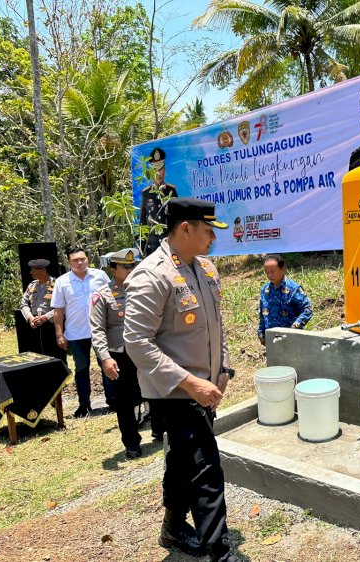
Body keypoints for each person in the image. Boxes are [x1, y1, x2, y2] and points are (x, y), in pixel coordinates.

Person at [123, 197, 238, 562]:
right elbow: (136, 343)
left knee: (181, 460)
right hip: (175, 390)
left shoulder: (204, 268)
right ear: (185, 229)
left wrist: (224, 369)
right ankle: (220, 552)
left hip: (205, 388)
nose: (212, 239)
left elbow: (215, 325)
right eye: (207, 232)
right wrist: (191, 383)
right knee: (205, 467)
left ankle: (173, 526)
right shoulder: (151, 274)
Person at [90, 248, 145, 458]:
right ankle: (132, 443)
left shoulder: (144, 289)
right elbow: (97, 330)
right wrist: (105, 358)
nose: (131, 270)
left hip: (144, 350)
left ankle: (160, 431)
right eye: (126, 266)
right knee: (124, 401)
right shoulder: (101, 295)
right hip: (119, 355)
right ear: (114, 270)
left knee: (156, 391)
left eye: (134, 265)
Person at [51, 247, 112, 418]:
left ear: (88, 259)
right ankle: (84, 405)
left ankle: (112, 400)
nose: (79, 262)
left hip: (101, 330)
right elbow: (58, 311)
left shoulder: (100, 276)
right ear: (69, 262)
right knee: (81, 368)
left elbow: (111, 298)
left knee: (107, 364)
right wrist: (59, 334)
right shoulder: (62, 282)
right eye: (75, 260)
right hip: (76, 333)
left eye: (82, 259)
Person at [257, 254, 313, 346]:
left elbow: (307, 310)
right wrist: (261, 332)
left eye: (272, 271)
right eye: (266, 272)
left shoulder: (293, 289)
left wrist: (295, 327)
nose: (269, 275)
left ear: (282, 269)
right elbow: (262, 314)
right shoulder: (264, 290)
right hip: (272, 340)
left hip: (292, 341)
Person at [19, 259, 66, 361]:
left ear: (43, 270)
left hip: (52, 324)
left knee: (56, 356)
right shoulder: (32, 285)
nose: (31, 272)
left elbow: (63, 306)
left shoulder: (58, 285)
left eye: (33, 270)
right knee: (36, 356)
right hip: (34, 324)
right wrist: (30, 318)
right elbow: (23, 304)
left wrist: (46, 317)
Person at [140, 147, 178, 256]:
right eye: (155, 170)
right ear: (151, 172)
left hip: (169, 243)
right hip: (152, 246)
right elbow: (143, 221)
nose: (159, 173)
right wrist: (143, 247)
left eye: (161, 169)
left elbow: (177, 219)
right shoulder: (146, 193)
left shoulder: (171, 191)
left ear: (164, 170)